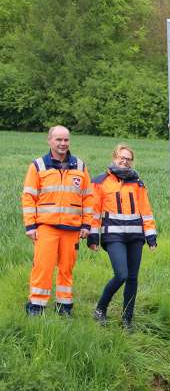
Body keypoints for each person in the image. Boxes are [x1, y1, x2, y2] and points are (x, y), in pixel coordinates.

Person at [21, 126, 93, 316]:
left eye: (66, 140)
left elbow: (88, 198)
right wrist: (30, 225)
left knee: (66, 269)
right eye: (59, 140)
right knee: (42, 268)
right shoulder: (38, 166)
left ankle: (64, 308)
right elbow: (28, 197)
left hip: (72, 228)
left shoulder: (80, 166)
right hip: (46, 227)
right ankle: (36, 307)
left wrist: (87, 224)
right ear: (49, 141)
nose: (63, 143)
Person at [88, 144, 157, 329]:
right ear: (114, 157)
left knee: (133, 278)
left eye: (128, 158)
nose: (125, 161)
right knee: (121, 275)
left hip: (135, 236)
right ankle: (100, 309)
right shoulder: (100, 182)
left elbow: (146, 211)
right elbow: (94, 212)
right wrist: (93, 237)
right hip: (114, 236)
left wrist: (151, 237)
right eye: (122, 157)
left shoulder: (138, 183)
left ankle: (127, 319)